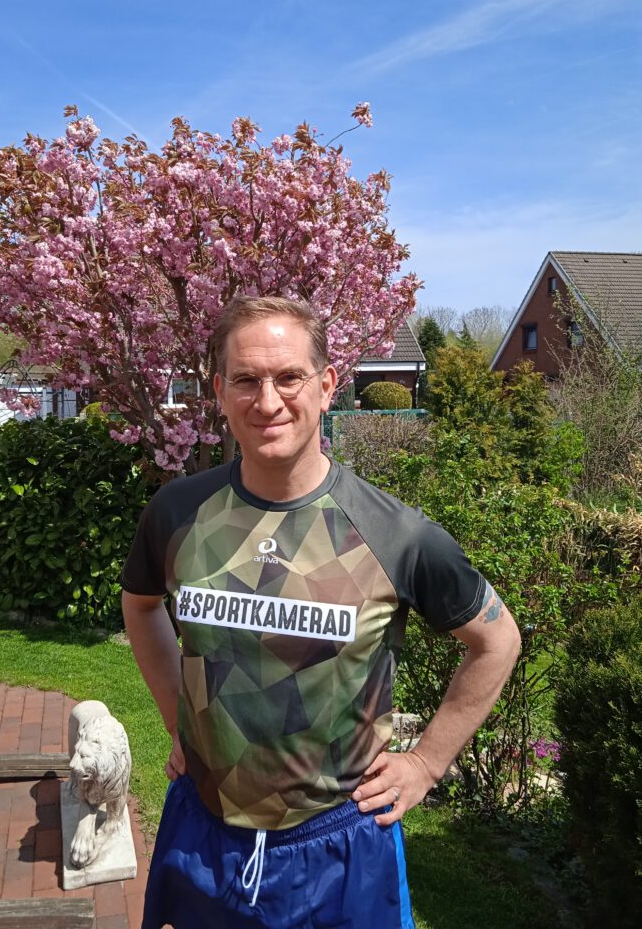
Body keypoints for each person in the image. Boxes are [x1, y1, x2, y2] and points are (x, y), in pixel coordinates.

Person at [121, 295, 521, 929]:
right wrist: (180, 723)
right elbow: (141, 607)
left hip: (339, 848)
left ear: (328, 385)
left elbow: (497, 640)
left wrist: (426, 763)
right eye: (246, 380)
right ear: (219, 392)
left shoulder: (397, 535)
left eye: (289, 377)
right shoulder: (175, 514)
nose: (268, 401)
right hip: (203, 835)